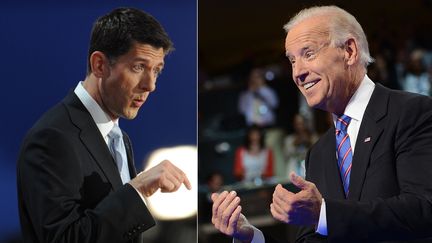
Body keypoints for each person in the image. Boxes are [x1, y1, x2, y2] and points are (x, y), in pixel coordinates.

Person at [211, 5, 432, 243]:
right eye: (292, 61)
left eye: (308, 54)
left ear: (349, 51)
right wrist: (250, 237)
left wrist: (324, 213)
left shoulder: (412, 113)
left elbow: (423, 209)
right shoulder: (319, 153)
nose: (298, 72)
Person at [17, 8, 191, 243]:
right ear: (99, 65)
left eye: (157, 71)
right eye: (139, 67)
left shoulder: (120, 139)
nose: (151, 85)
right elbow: (64, 239)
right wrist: (138, 190)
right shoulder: (52, 137)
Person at [283, 114, 318, 178]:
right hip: (294, 168)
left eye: (302, 123)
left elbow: (317, 154)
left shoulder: (313, 138)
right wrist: (295, 143)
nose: (300, 127)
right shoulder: (290, 139)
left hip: (309, 167)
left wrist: (309, 143)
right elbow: (286, 156)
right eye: (297, 124)